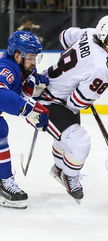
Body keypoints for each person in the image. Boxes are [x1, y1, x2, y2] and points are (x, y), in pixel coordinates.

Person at [39, 15, 108, 202]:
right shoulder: (104, 67)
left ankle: (59, 168)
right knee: (80, 141)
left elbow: (64, 36)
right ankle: (69, 175)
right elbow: (76, 103)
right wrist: (87, 95)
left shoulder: (89, 34)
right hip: (47, 102)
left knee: (66, 137)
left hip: (42, 86)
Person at [0, 31, 49, 209]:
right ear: (17, 55)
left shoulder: (22, 68)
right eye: (30, 57)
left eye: (36, 57)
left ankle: (3, 179)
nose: (33, 62)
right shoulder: (7, 68)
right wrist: (30, 111)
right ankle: (4, 181)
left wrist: (34, 84)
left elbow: (19, 93)